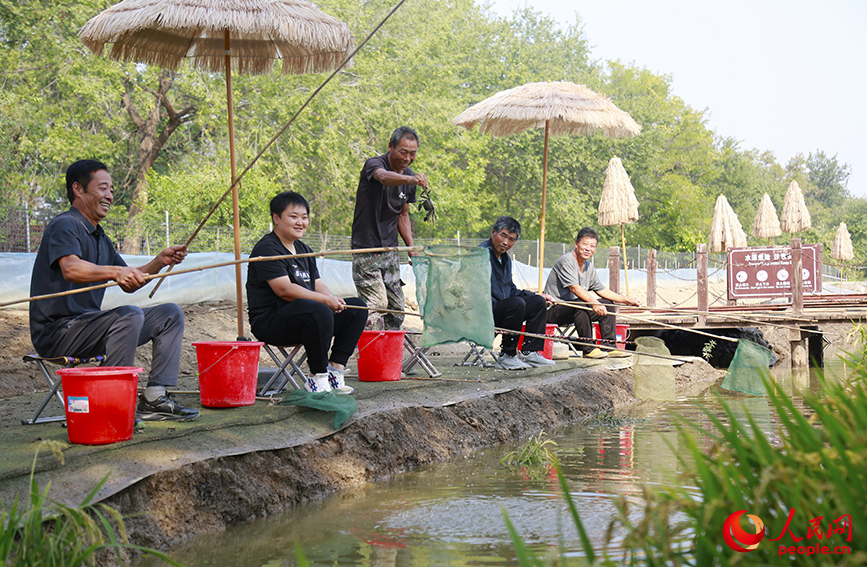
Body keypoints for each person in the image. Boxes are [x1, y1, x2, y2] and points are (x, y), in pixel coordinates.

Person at [29, 159, 199, 421]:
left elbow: (131, 282)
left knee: (170, 314)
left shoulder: (100, 237)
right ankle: (108, 404)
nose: (110, 195)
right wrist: (115, 272)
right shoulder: (65, 224)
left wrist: (159, 261)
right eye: (103, 188)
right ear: (78, 189)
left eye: (111, 189)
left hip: (88, 327)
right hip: (57, 332)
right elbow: (71, 268)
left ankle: (154, 398)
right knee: (129, 315)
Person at [247, 191, 367, 393]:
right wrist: (323, 301)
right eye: (293, 217)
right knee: (317, 309)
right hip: (271, 322)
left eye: (304, 218)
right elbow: (284, 290)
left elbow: (317, 283)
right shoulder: (267, 249)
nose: (300, 222)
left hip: (306, 317)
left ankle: (334, 369)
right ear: (276, 218)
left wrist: (331, 299)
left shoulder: (303, 249)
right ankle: (316, 377)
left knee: (357, 307)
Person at [351, 126, 427, 330]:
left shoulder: (409, 177)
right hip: (366, 248)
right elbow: (384, 177)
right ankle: (366, 355)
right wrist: (412, 179)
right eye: (403, 151)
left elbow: (403, 215)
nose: (408, 157)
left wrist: (410, 247)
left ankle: (387, 357)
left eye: (413, 153)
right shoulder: (375, 164)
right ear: (390, 147)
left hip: (391, 250)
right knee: (376, 305)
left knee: (396, 308)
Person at [545, 227, 640, 359]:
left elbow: (601, 290)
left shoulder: (588, 265)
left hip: (575, 309)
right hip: (553, 310)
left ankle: (610, 346)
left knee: (607, 303)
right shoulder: (566, 261)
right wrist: (594, 303)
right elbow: (574, 288)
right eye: (585, 244)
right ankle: (588, 348)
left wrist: (626, 300)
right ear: (576, 244)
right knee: (582, 304)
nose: (588, 248)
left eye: (592, 246)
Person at [479, 216, 556, 370]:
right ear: (493, 232)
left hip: (503, 309)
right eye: (503, 236)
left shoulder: (505, 259)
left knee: (537, 302)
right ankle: (507, 355)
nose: (506, 242)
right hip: (483, 310)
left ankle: (530, 352)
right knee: (516, 304)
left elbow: (511, 290)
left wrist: (536, 295)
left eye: (512, 239)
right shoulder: (480, 255)